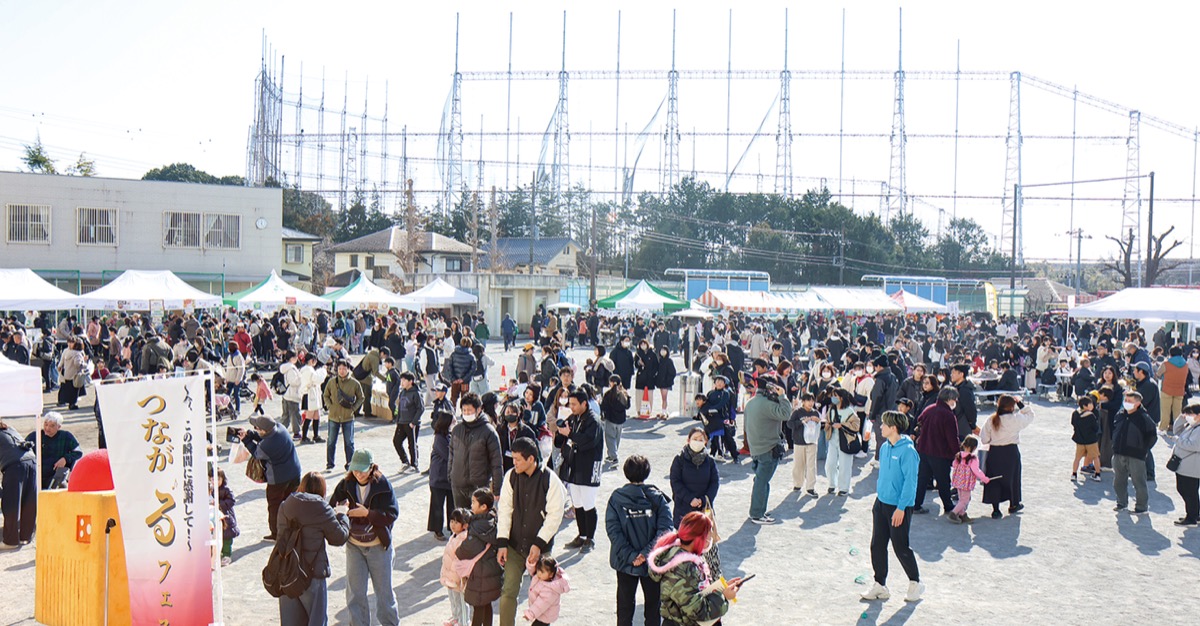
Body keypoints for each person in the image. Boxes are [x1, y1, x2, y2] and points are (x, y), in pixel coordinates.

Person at [495, 437, 566, 626]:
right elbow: (505, 510)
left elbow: (555, 515)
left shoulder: (550, 480)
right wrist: (502, 542)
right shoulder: (511, 476)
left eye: (518, 459)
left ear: (531, 459)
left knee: (545, 595)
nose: (514, 463)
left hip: (541, 550)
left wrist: (539, 543)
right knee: (508, 591)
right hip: (514, 545)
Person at [329, 450, 400, 626]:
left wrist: (368, 513)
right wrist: (341, 512)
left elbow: (392, 514)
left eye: (362, 470)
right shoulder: (345, 484)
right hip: (354, 545)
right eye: (355, 470)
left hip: (378, 546)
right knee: (355, 594)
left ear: (371, 467)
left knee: (384, 594)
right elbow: (331, 507)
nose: (358, 474)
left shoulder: (383, 485)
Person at [861, 411, 923, 603]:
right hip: (881, 503)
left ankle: (915, 583)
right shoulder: (885, 448)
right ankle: (880, 585)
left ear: (893, 428)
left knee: (900, 547)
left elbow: (910, 483)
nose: (880, 427)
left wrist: (901, 508)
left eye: (884, 425)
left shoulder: (909, 452)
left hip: (899, 507)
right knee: (877, 545)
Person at [276, 472, 350, 626]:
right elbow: (339, 538)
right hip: (312, 574)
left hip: (287, 573)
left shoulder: (286, 505)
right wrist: (342, 515)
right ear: (322, 490)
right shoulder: (321, 508)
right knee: (316, 621)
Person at [606, 455, 672, 626]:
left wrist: (631, 556)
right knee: (653, 608)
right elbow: (666, 530)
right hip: (653, 562)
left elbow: (613, 531)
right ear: (647, 473)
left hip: (624, 562)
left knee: (625, 608)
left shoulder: (616, 498)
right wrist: (645, 554)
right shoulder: (657, 498)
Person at [647, 512, 741, 626]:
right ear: (699, 538)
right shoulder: (680, 568)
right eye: (709, 534)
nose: (712, 537)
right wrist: (724, 597)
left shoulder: (688, 555)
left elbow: (697, 589)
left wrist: (722, 589)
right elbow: (697, 611)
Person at [556, 390, 605, 552]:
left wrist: (570, 433)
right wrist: (560, 429)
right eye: (570, 404)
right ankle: (582, 535)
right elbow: (560, 441)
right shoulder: (573, 417)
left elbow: (588, 442)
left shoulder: (594, 421)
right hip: (575, 465)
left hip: (590, 466)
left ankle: (590, 539)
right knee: (577, 503)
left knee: (588, 504)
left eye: (574, 404)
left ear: (584, 403)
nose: (571, 407)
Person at [240, 415, 302, 540]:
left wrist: (246, 440)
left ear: (263, 430)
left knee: (275, 506)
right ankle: (294, 529)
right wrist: (251, 434)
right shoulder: (280, 427)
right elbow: (264, 436)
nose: (255, 429)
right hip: (294, 472)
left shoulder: (266, 446)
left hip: (278, 478)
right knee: (291, 503)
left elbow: (257, 453)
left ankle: (275, 533)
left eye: (256, 428)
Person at [744, 378, 792, 524]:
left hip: (756, 448)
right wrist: (783, 396)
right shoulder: (767, 404)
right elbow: (786, 414)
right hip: (768, 448)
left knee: (760, 480)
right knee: (762, 481)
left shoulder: (751, 402)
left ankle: (758, 511)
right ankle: (757, 513)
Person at [980, 395, 1035, 519]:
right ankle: (1013, 504)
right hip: (1011, 452)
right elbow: (1030, 415)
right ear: (1012, 407)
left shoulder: (991, 420)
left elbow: (984, 439)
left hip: (995, 453)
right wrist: (1020, 403)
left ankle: (996, 510)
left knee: (994, 479)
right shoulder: (1016, 419)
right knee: (1012, 478)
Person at [458, 488, 504, 626]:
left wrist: (458, 551)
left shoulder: (478, 525)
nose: (471, 505)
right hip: (491, 569)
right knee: (486, 604)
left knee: (478, 606)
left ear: (483, 507)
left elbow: (469, 548)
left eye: (473, 502)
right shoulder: (491, 520)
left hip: (480, 572)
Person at [450, 393, 504, 508]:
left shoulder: (489, 431)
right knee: (461, 521)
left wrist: (497, 488)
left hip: (479, 487)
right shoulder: (456, 430)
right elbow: (451, 455)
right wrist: (450, 475)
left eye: (469, 410)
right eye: (464, 410)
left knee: (478, 522)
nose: (466, 413)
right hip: (458, 486)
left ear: (479, 409)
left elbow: (496, 462)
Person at [913, 387, 960, 516]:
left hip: (923, 449)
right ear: (949, 399)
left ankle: (916, 504)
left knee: (921, 479)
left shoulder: (929, 409)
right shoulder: (948, 415)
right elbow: (952, 437)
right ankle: (948, 506)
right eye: (954, 399)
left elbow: (919, 420)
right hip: (940, 453)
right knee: (943, 481)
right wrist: (957, 452)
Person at [1111, 390, 1157, 514]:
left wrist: (1142, 449)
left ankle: (1141, 507)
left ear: (1137, 403)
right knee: (1118, 481)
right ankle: (1121, 503)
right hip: (1118, 453)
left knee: (1139, 483)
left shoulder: (1144, 418)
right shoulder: (1120, 414)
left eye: (1129, 401)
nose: (1126, 403)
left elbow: (1152, 436)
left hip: (1136, 456)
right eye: (1125, 400)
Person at [669, 428, 720, 527]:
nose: (697, 442)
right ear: (688, 440)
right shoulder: (679, 459)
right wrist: (690, 499)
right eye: (695, 439)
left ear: (705, 442)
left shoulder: (709, 461)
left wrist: (703, 500)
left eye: (701, 440)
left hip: (704, 509)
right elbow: (675, 482)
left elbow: (715, 482)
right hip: (683, 508)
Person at [0, 418, 37, 549]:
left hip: (14, 465)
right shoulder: (9, 429)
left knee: (11, 502)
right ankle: (25, 537)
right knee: (29, 500)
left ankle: (10, 541)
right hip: (31, 461)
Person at [323, 359, 365, 471]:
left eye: (344, 368)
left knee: (349, 442)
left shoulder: (354, 383)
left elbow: (361, 397)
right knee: (331, 441)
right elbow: (325, 395)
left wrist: (354, 408)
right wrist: (329, 406)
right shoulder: (332, 382)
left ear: (348, 369)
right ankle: (330, 464)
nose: (342, 371)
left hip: (348, 417)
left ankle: (350, 464)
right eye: (339, 368)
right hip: (333, 416)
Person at [25, 412, 81, 489]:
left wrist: (65, 459)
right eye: (46, 424)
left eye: (52, 426)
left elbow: (78, 452)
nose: (47, 428)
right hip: (36, 475)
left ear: (58, 427)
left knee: (63, 488)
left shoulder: (66, 437)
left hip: (56, 475)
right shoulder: (34, 436)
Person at [440, 508, 475, 626]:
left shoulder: (463, 539)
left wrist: (459, 576)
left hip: (458, 578)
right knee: (453, 599)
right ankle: (455, 617)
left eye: (456, 522)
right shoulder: (454, 536)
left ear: (465, 525)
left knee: (461, 601)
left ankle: (464, 622)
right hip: (450, 576)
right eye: (451, 521)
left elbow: (461, 560)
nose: (453, 525)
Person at [824, 387, 860, 498]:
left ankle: (844, 488)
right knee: (830, 464)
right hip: (833, 439)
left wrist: (842, 425)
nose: (833, 398)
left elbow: (856, 425)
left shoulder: (850, 411)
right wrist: (827, 425)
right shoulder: (832, 409)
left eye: (836, 395)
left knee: (845, 465)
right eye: (832, 395)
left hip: (846, 440)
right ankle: (832, 483)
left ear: (841, 397)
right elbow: (827, 421)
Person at [947, 435, 990, 524]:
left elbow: (954, 465)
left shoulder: (958, 455)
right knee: (965, 500)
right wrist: (984, 478)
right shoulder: (973, 458)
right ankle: (954, 513)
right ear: (974, 448)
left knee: (961, 499)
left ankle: (962, 514)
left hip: (958, 481)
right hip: (966, 483)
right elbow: (976, 470)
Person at [1170, 403, 1200, 526]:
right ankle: (1195, 514)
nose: (1187, 416)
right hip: (1184, 465)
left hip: (1191, 466)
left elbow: (1195, 446)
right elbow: (1177, 430)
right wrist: (1181, 419)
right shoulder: (1192, 425)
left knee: (1188, 491)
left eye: (1190, 414)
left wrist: (1178, 441)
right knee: (1185, 489)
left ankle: (1192, 517)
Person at [788, 392, 821, 496]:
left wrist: (818, 421)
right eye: (808, 401)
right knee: (799, 465)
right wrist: (802, 422)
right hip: (799, 442)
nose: (811, 403)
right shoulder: (797, 412)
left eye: (812, 401)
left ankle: (810, 487)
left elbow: (820, 426)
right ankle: (798, 484)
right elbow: (789, 424)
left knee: (811, 465)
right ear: (803, 401)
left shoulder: (815, 412)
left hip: (812, 442)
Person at [522, 555, 571, 626]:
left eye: (542, 572)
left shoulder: (550, 590)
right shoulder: (542, 577)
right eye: (538, 570)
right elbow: (532, 570)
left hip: (545, 616)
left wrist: (530, 614)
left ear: (551, 574)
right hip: (541, 613)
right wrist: (531, 562)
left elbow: (541, 604)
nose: (538, 573)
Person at [393, 371, 424, 473]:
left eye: (404, 380)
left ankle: (414, 465)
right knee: (396, 441)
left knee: (412, 444)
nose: (402, 382)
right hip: (401, 422)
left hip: (411, 423)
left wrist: (414, 422)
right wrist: (398, 420)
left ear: (411, 381)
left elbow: (421, 408)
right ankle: (405, 462)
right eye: (401, 380)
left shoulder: (416, 393)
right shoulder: (402, 392)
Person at [1070, 396, 1103, 483]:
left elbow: (1073, 423)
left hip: (1079, 440)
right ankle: (1097, 474)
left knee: (1077, 458)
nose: (1092, 405)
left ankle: (1074, 474)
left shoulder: (1075, 413)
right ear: (1085, 406)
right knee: (1095, 457)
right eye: (1090, 404)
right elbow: (1095, 428)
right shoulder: (1091, 416)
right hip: (1091, 440)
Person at [601, 375, 631, 467]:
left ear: (611, 382)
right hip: (621, 420)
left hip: (611, 419)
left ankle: (614, 457)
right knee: (617, 438)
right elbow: (628, 406)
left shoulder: (608, 394)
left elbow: (604, 407)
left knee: (610, 438)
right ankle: (612, 454)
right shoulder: (624, 393)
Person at [1156, 346, 1188, 431]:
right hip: (1180, 390)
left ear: (1170, 354)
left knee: (1165, 411)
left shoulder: (1166, 363)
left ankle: (1163, 427)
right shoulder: (1186, 364)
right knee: (1177, 411)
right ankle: (1177, 428)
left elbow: (1158, 373)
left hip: (1167, 389)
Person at [499, 404, 537, 472]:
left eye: (513, 412)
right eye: (508, 412)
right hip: (503, 465)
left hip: (521, 466)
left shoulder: (527, 432)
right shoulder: (500, 430)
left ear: (518, 413)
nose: (510, 414)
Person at [216, 468, 239, 566]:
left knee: (227, 537)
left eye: (217, 479)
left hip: (226, 517)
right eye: (212, 479)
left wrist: (220, 504)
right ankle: (217, 554)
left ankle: (226, 555)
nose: (215, 482)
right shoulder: (209, 490)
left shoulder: (226, 490)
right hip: (215, 517)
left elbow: (232, 501)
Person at [278, 350, 304, 438]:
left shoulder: (285, 368)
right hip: (292, 394)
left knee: (286, 415)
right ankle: (296, 432)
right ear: (292, 358)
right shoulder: (291, 369)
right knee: (295, 415)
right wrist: (301, 378)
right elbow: (294, 382)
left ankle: (280, 431)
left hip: (286, 394)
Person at [949, 364, 978, 440]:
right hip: (954, 426)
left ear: (961, 374)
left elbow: (970, 409)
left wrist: (972, 425)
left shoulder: (964, 390)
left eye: (954, 373)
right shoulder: (956, 388)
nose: (951, 375)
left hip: (962, 427)